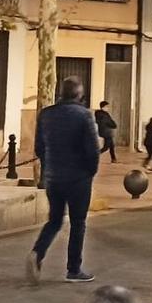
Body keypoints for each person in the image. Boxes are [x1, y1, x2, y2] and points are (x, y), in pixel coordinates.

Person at [27, 76, 100, 284]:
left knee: (55, 220)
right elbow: (92, 149)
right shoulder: (84, 115)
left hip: (54, 176)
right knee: (78, 222)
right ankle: (74, 269)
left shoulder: (47, 114)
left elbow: (39, 147)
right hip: (78, 178)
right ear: (79, 94)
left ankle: (37, 252)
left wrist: (49, 166)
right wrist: (90, 171)